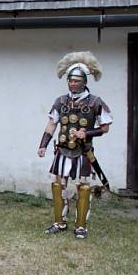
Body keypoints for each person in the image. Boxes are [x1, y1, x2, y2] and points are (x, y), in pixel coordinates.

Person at [38, 51, 112, 240]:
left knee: (83, 187)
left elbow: (105, 128)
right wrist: (43, 145)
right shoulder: (61, 101)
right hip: (62, 150)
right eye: (70, 80)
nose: (73, 83)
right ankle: (59, 221)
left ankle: (81, 226)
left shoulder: (95, 102)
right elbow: (51, 124)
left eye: (77, 81)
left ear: (85, 82)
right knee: (58, 184)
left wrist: (86, 133)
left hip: (83, 151)